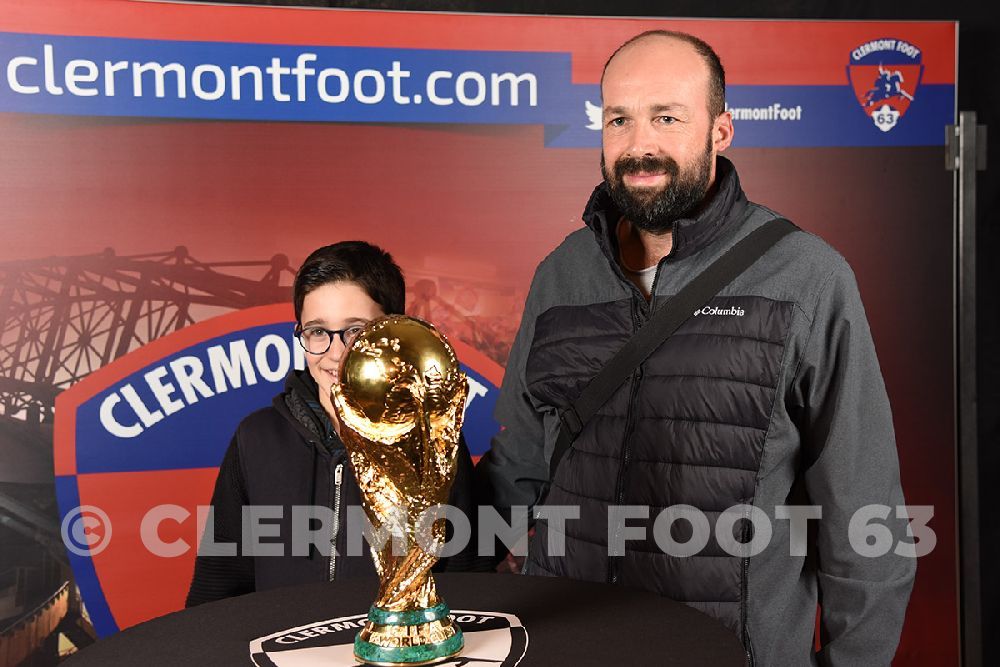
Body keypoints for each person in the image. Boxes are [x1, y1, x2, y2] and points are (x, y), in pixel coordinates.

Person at [476, 31, 915, 665]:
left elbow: (865, 518)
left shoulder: (806, 278)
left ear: (721, 130)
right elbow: (518, 470)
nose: (638, 145)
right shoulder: (560, 275)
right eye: (619, 120)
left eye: (666, 117)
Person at [186, 241, 476, 606]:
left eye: (356, 330)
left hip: (396, 658)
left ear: (393, 332)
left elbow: (469, 586)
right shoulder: (255, 438)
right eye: (317, 332)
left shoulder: (433, 440)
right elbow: (215, 592)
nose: (336, 352)